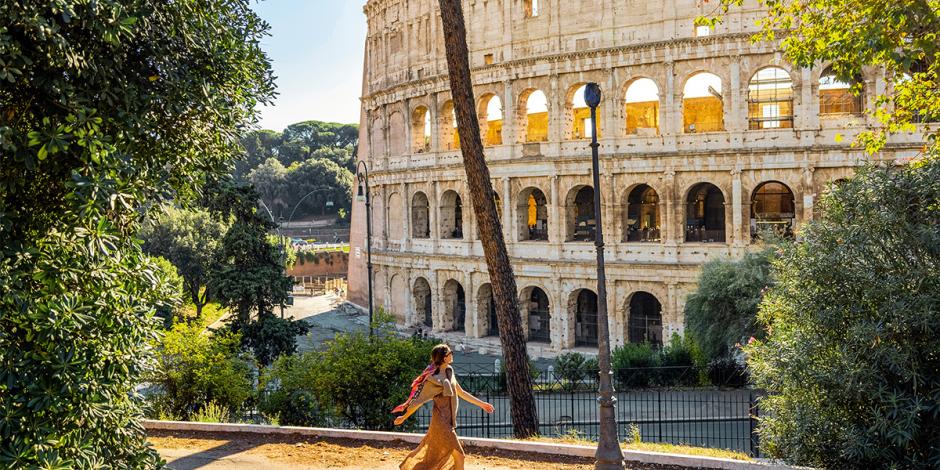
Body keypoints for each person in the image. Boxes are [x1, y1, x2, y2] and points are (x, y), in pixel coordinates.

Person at [392, 344, 494, 470]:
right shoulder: (433, 379)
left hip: (449, 422)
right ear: (444, 358)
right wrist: (404, 417)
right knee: (459, 455)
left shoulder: (449, 371)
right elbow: (418, 401)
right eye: (450, 352)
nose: (452, 354)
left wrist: (482, 404)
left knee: (437, 458)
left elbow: (461, 392)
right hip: (441, 423)